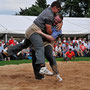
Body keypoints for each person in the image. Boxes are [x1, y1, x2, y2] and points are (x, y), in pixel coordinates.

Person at [2, 1, 61, 76]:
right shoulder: (49, 15)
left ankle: (7, 52)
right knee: (40, 47)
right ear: (55, 8)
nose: (58, 12)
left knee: (24, 44)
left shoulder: (49, 10)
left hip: (31, 29)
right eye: (58, 10)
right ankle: (42, 67)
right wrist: (54, 33)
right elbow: (49, 31)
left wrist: (60, 23)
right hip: (35, 31)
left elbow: (58, 16)